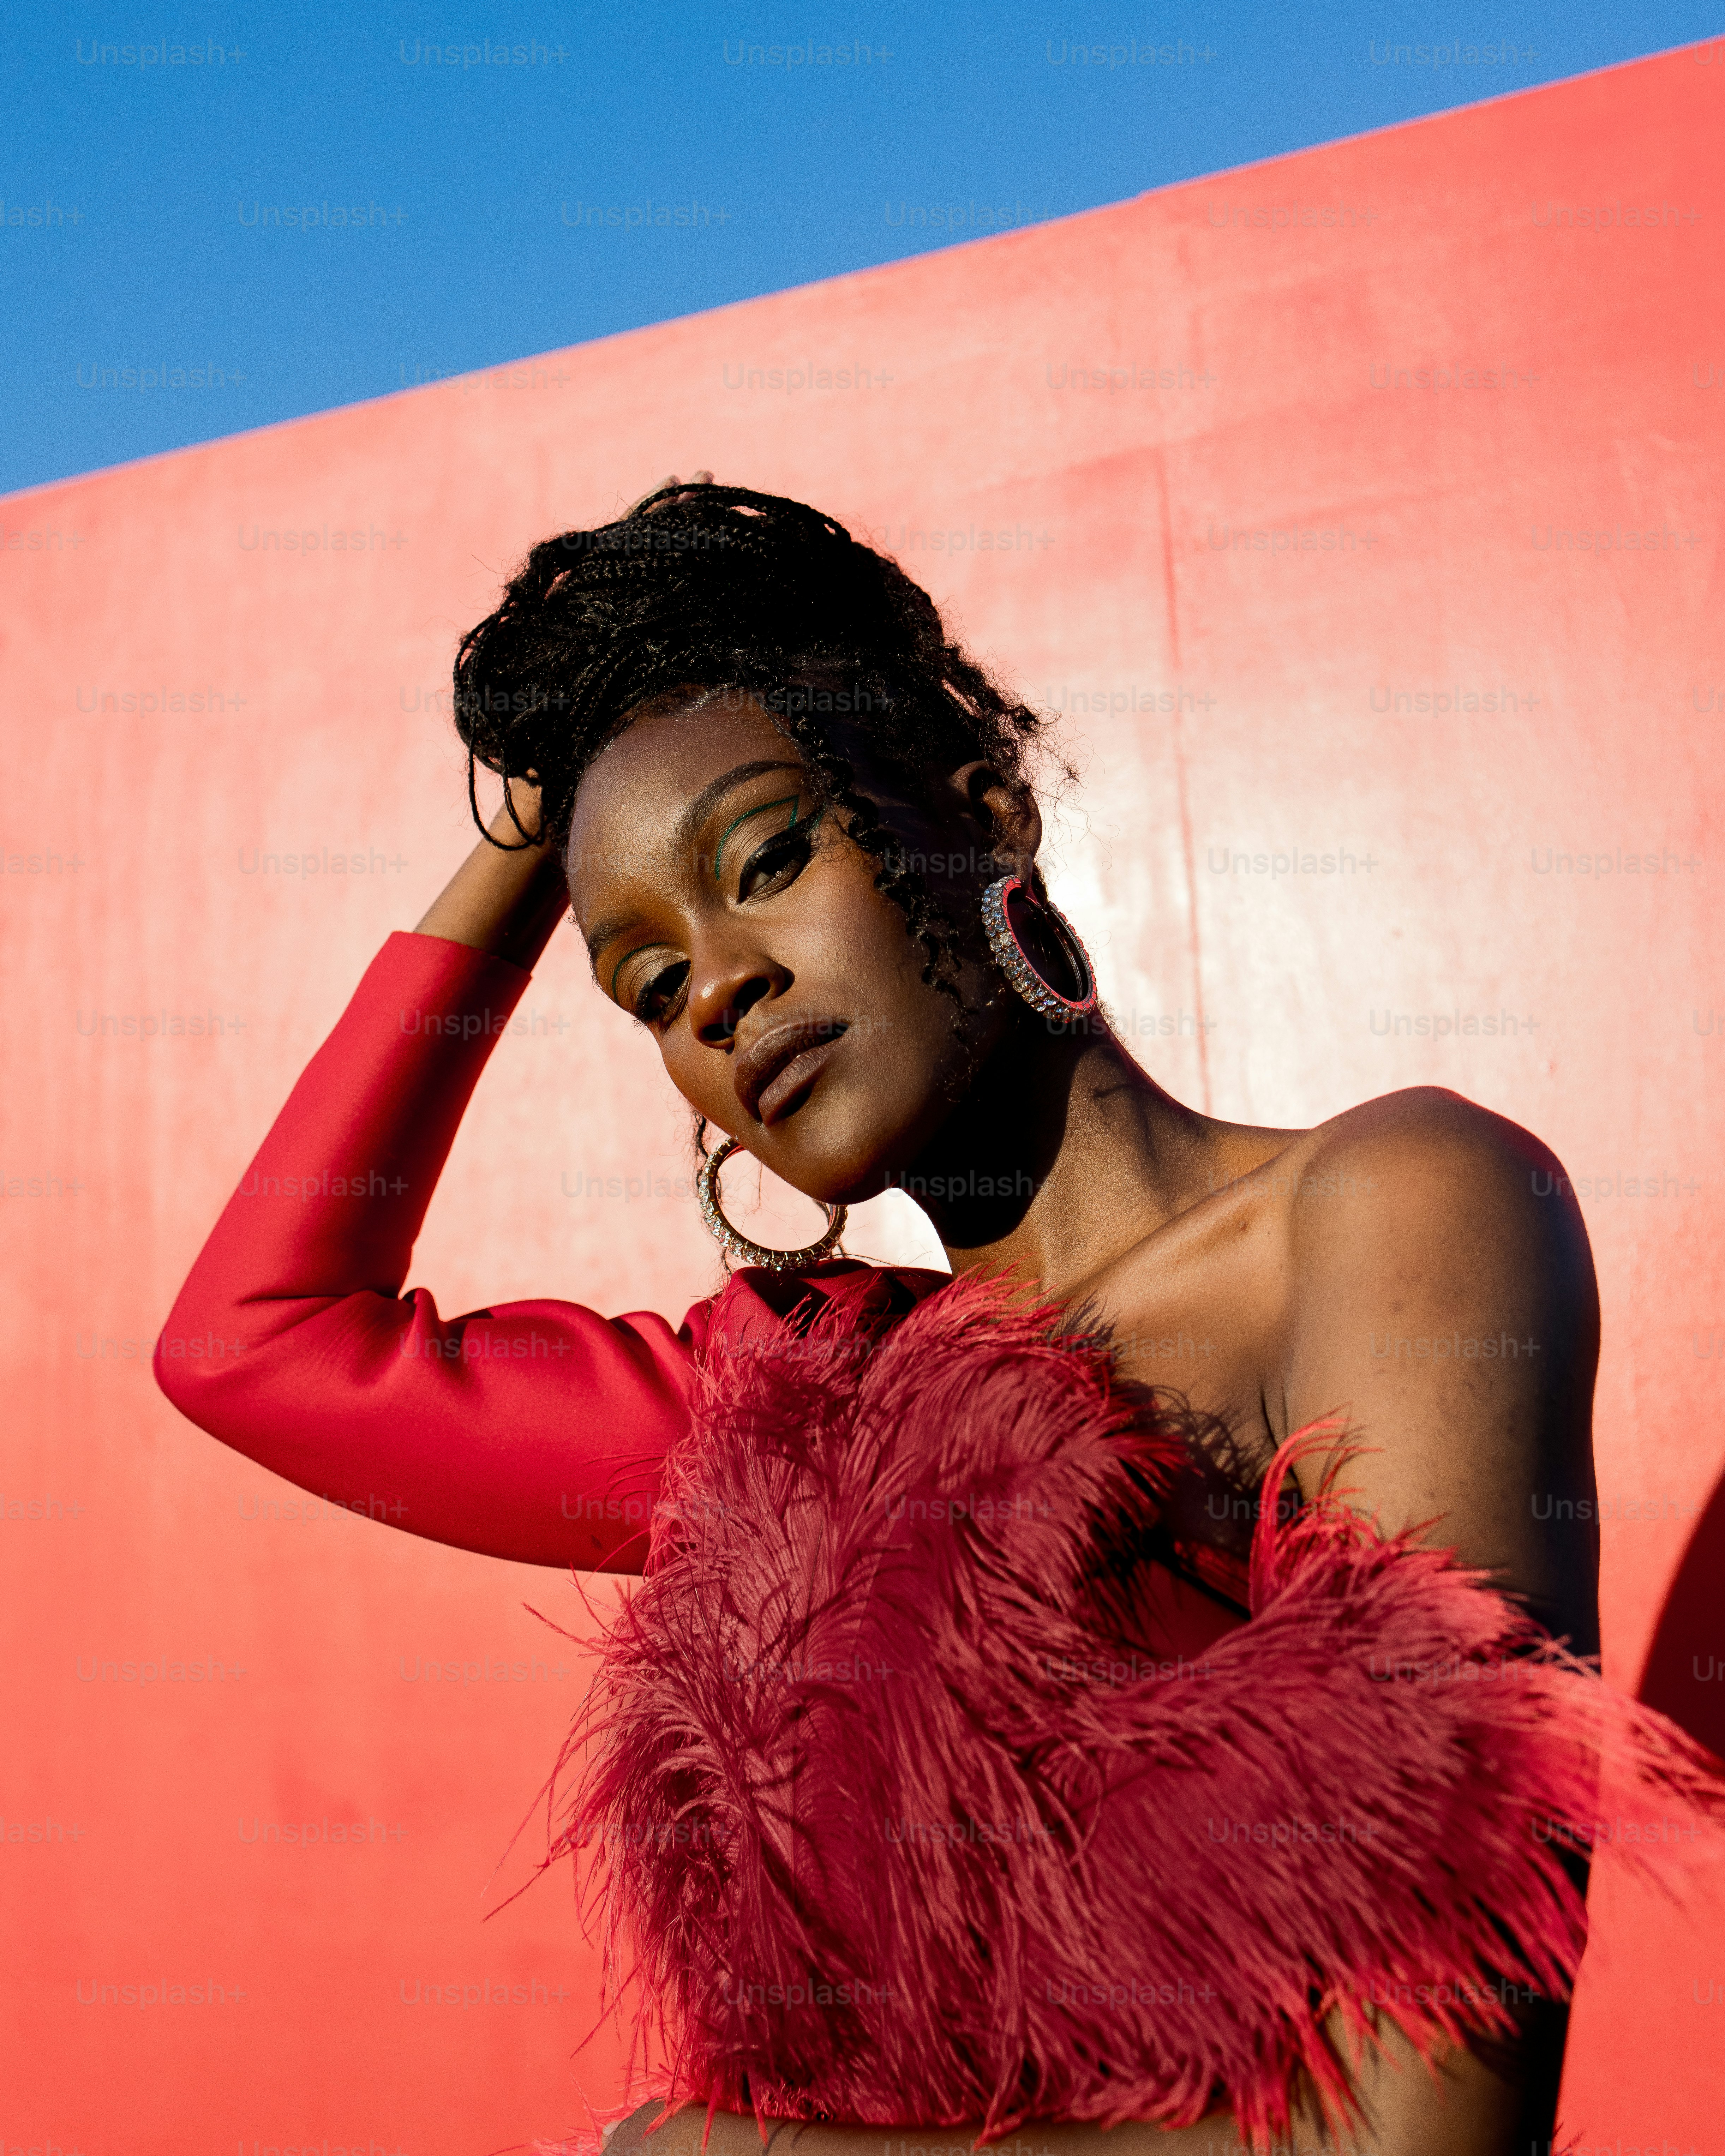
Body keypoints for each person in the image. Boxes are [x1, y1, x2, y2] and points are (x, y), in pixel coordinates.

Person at [155, 479, 1712, 2156]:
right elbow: (253, 1341)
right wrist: (536, 820)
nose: (720, 985)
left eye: (767, 859)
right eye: (652, 984)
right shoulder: (786, 1415)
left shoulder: (1384, 1213)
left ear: (982, 814)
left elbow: (1423, 2139)